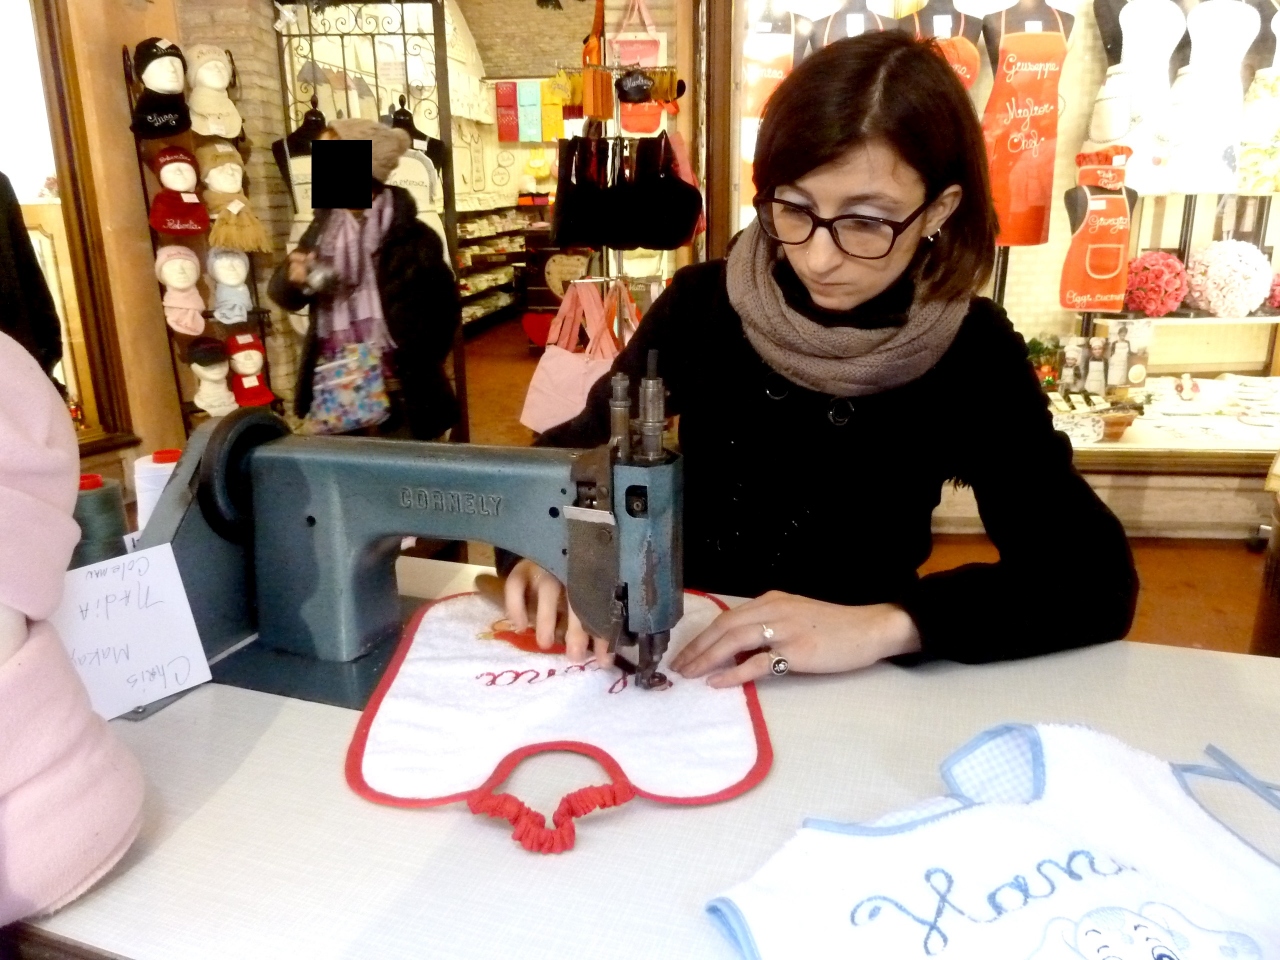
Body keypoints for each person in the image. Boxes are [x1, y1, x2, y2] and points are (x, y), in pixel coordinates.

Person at [502, 32, 1139, 687]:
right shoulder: (704, 305)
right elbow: (561, 463)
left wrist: (890, 625)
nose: (818, 257)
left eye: (866, 221)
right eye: (795, 208)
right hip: (690, 653)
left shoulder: (970, 350)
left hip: (852, 682)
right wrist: (556, 551)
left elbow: (1092, 578)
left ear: (938, 210)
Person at [268, 118, 461, 440]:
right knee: (348, 472)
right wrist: (293, 278)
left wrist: (416, 362)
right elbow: (284, 296)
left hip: (401, 396)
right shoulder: (321, 230)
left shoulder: (414, 237)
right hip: (337, 391)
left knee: (409, 470)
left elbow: (445, 312)